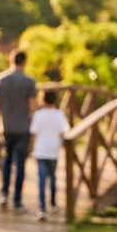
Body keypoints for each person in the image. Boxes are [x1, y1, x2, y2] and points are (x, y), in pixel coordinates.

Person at [0, 49, 37, 213]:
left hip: (6, 128)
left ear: (11, 60)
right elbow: (32, 109)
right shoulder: (29, 82)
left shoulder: (0, 80)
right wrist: (34, 131)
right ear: (24, 62)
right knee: (21, 164)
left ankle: (3, 194)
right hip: (23, 129)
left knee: (7, 161)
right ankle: (17, 202)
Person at [29, 90, 69, 222]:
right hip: (53, 150)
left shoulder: (38, 115)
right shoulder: (60, 115)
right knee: (52, 177)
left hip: (40, 151)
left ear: (43, 100)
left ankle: (42, 209)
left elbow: (33, 134)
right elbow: (64, 133)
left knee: (41, 179)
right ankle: (53, 203)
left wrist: (33, 148)